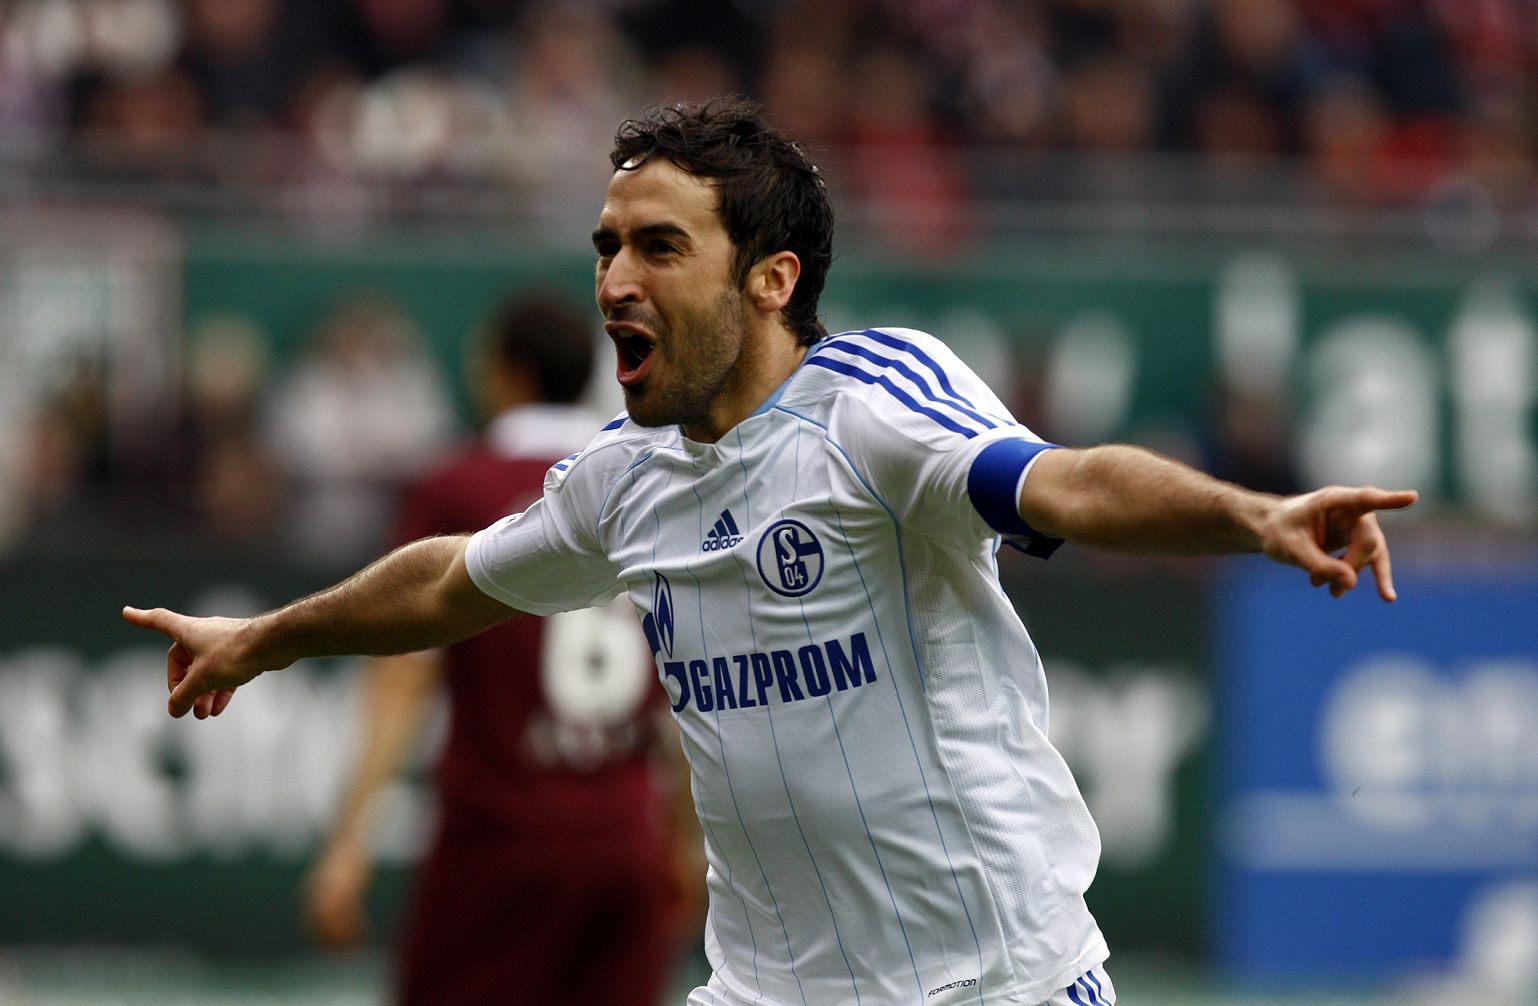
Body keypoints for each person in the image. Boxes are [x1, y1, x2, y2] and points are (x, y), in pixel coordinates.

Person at [126, 97, 1417, 1006]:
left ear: (770, 278)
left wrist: (1250, 515)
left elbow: (1067, 481)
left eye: (659, 247)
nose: (614, 280)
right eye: (606, 248)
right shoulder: (623, 478)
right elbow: (451, 581)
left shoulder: (872, 409)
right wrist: (266, 636)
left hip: (992, 983)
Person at [298, 292, 688, 1004]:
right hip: (625, 839)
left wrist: (350, 839)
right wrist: (684, 843)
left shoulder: (458, 489)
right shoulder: (649, 484)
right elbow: (689, 687)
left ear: (510, 372)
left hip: (501, 839)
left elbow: (403, 677)